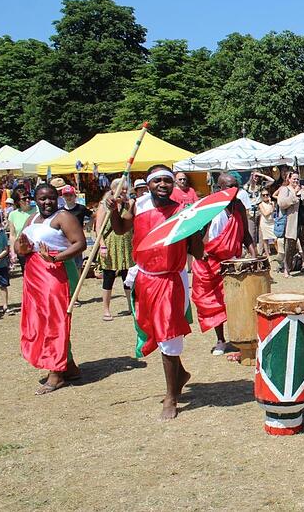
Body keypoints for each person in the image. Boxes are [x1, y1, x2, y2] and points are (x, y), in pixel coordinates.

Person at [107, 165, 204, 420]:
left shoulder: (182, 211)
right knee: (156, 331)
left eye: (167, 180)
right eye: (157, 180)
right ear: (148, 184)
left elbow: (198, 252)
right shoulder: (138, 205)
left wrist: (193, 226)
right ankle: (180, 375)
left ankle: (171, 398)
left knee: (168, 336)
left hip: (171, 280)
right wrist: (113, 210)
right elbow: (119, 230)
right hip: (145, 278)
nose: (163, 184)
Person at [16, 183, 87, 394]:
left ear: (57, 198)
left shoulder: (63, 217)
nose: (47, 202)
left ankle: (56, 372)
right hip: (34, 276)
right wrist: (22, 247)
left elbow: (80, 243)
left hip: (56, 274)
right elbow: (19, 246)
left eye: (51, 198)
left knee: (54, 322)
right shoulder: (32, 219)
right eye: (42, 198)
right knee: (39, 321)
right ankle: (70, 367)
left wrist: (56, 257)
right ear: (35, 200)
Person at [193, 173, 257, 355]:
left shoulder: (239, 206)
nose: (232, 190)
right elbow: (195, 234)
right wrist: (201, 251)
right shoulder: (209, 207)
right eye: (228, 186)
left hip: (232, 263)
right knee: (214, 303)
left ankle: (239, 338)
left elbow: (245, 234)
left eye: (235, 186)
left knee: (236, 302)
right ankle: (220, 340)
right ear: (218, 188)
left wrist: (255, 256)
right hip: (210, 263)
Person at [95, 178, 134, 321]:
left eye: (125, 189)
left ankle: (131, 306)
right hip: (110, 244)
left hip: (126, 244)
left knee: (128, 277)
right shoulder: (105, 205)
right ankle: (106, 309)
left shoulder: (129, 203)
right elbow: (98, 228)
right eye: (120, 189)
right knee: (109, 277)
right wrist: (102, 245)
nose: (123, 191)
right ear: (113, 190)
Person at [7, 186, 36, 271]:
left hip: (37, 248)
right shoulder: (13, 215)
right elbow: (12, 235)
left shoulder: (37, 210)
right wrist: (12, 252)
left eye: (28, 197)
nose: (27, 200)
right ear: (18, 201)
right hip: (22, 248)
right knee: (26, 273)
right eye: (24, 199)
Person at [257, 188, 278, 258]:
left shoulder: (272, 203)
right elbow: (265, 213)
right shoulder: (260, 204)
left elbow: (273, 211)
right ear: (261, 196)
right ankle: (268, 255)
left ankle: (279, 253)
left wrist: (271, 205)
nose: (265, 196)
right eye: (263, 195)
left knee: (275, 239)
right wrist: (272, 209)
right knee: (265, 239)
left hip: (272, 222)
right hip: (264, 223)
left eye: (267, 194)